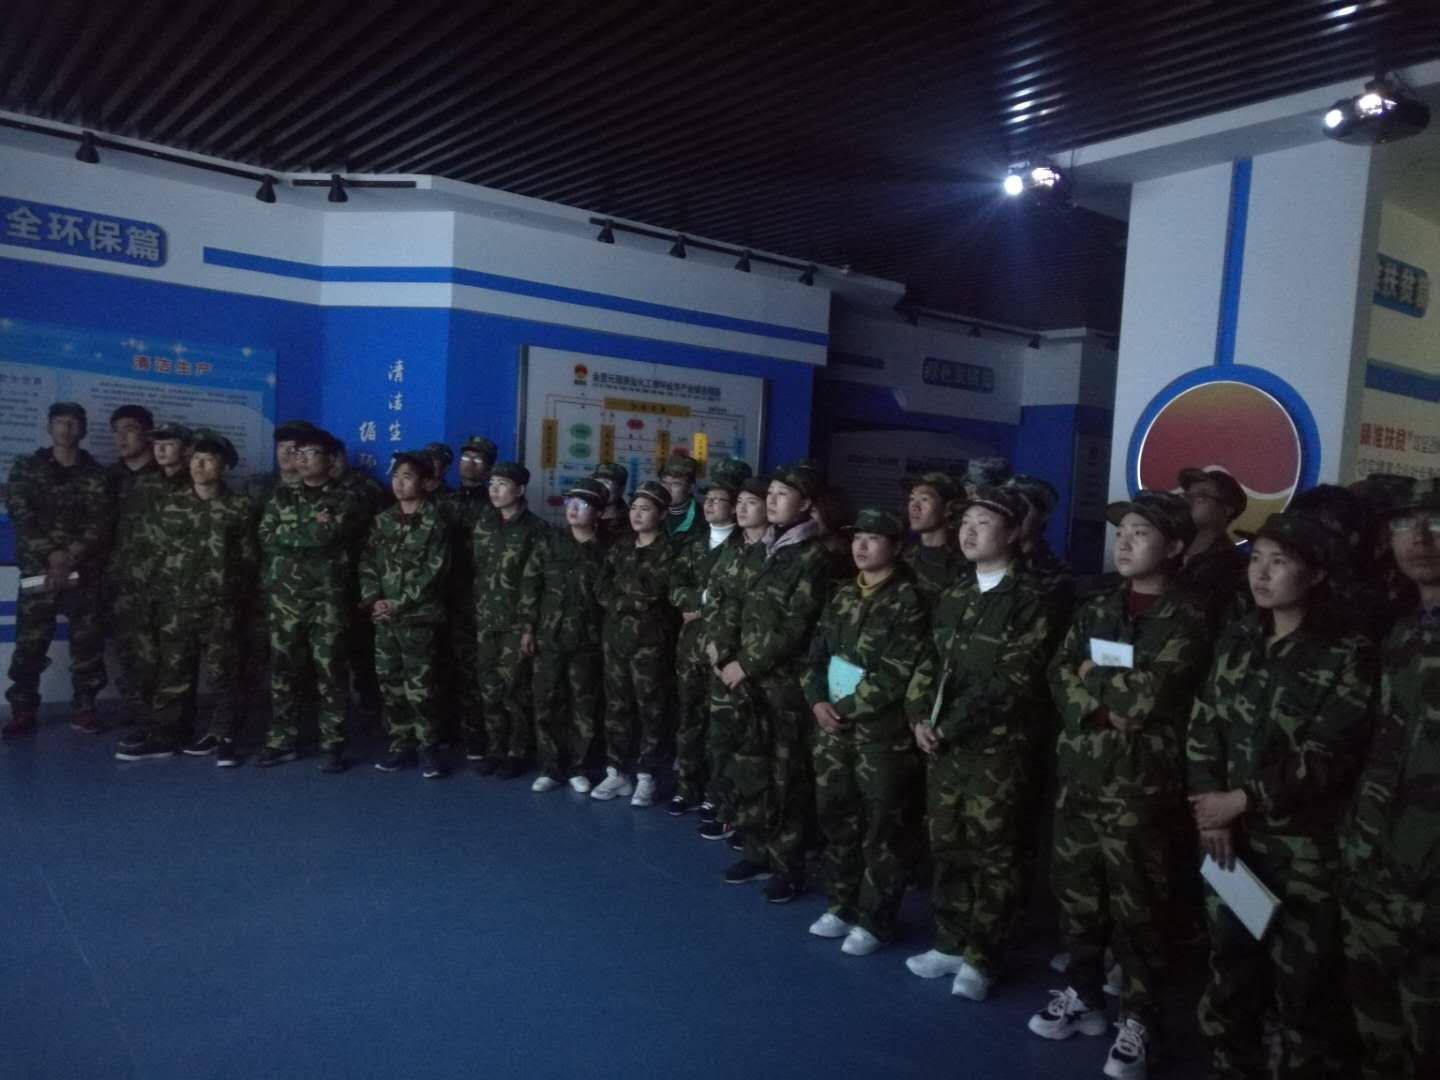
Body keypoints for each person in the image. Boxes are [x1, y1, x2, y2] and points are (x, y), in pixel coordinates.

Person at [1029, 490, 1210, 1080]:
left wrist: (1094, 677)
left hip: (1140, 788)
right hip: (1080, 775)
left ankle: (1141, 1019)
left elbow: (1151, 696)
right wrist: (1101, 700)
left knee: (1140, 909)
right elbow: (1059, 670)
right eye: (1122, 531)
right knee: (1078, 896)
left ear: (1174, 546)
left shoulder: (1190, 617)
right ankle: (1083, 994)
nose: (1125, 542)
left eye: (1141, 533)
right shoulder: (1098, 604)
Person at [1187, 512, 1373, 1078]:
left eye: (1280, 562)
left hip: (1304, 850)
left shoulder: (1347, 651)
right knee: (1230, 964)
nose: (1261, 574)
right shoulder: (1240, 636)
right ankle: (1229, 1062)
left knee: (1303, 982)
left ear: (1315, 574)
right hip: (1228, 840)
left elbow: (1332, 753)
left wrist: (1241, 800)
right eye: (1257, 560)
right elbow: (1205, 723)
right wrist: (1212, 810)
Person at [903, 486, 1057, 996]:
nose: (969, 532)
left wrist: (948, 724)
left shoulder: (1032, 598)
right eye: (965, 523)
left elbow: (1014, 678)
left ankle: (984, 956)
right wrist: (919, 715)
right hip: (943, 748)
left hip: (998, 751)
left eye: (983, 523)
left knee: (996, 854)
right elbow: (929, 659)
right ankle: (950, 942)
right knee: (948, 846)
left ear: (1012, 533)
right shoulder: (957, 592)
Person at [1340, 477, 1440, 1079]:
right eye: (1405, 525)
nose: (1420, 538)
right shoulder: (1402, 629)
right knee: (1378, 1035)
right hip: (1378, 870)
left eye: (1437, 524)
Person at [801, 507, 926, 955]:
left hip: (880, 736)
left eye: (873, 538)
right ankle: (841, 904)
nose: (861, 545)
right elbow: (816, 655)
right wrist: (817, 700)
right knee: (837, 819)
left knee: (882, 830)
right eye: (857, 537)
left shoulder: (910, 600)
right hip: (832, 731)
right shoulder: (842, 594)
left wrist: (843, 708)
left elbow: (897, 672)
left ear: (895, 547)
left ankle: (876, 920)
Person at [714, 463, 830, 903]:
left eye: (783, 494)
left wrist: (746, 663)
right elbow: (733, 603)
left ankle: (787, 864)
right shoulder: (764, 549)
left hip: (784, 685)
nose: (773, 501)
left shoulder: (814, 557)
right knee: (751, 767)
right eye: (772, 493)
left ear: (806, 504)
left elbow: (797, 625)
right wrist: (724, 653)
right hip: (746, 681)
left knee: (787, 777)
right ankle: (756, 848)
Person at [123, 431, 255, 764]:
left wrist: (237, 599)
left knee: (224, 674)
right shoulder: (169, 505)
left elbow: (250, 559)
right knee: (173, 673)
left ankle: (224, 736)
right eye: (195, 459)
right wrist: (153, 599)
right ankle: (166, 735)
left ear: (223, 466)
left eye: (208, 460)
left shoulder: (240, 507)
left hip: (221, 608)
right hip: (176, 606)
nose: (199, 466)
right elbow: (149, 554)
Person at [256, 428, 365, 772]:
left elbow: (329, 534)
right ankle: (281, 740)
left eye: (311, 453)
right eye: (298, 453)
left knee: (330, 670)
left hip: (327, 599)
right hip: (285, 599)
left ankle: (332, 744)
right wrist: (311, 528)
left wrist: (294, 533)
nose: (301, 459)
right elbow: (266, 537)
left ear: (330, 460)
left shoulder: (346, 498)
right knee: (283, 671)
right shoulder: (281, 497)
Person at [2, 403, 111, 739]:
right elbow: (21, 513)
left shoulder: (97, 474)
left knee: (87, 646)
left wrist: (71, 555)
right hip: (39, 572)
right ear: (49, 427)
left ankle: (84, 708)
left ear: (84, 429)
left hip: (84, 573)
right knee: (30, 645)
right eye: (60, 422)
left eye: (74, 423)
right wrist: (52, 554)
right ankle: (23, 709)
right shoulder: (27, 467)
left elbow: (102, 521)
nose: (67, 429)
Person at [668, 457, 751, 815]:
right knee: (688, 718)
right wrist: (703, 599)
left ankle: (716, 794)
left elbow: (740, 598)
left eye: (719, 500)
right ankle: (687, 786)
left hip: (724, 649)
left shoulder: (745, 546)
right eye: (708, 499)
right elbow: (674, 588)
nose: (710, 505)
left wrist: (702, 602)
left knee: (722, 726)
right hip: (690, 646)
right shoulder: (694, 543)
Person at [360, 451, 451, 779]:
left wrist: (398, 602)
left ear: (425, 483)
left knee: (421, 687)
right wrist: (374, 599)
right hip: (384, 618)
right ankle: (401, 744)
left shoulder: (435, 522)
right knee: (390, 683)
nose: (399, 483)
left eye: (407, 477)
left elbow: (435, 572)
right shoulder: (383, 520)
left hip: (418, 618)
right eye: (396, 476)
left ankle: (428, 747)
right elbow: (368, 562)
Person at [520, 478, 609, 793]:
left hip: (588, 641)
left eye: (582, 504)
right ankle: (550, 767)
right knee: (546, 702)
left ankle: (578, 767)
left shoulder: (607, 550)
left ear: (598, 512)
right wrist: (528, 627)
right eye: (570, 502)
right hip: (549, 637)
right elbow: (531, 584)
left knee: (583, 705)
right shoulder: (550, 542)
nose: (573, 508)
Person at [594, 479, 678, 806]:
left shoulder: (670, 550)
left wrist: (625, 597)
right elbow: (602, 588)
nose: (637, 514)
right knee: (616, 707)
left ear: (662, 514)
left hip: (651, 642)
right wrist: (630, 598)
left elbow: (657, 592)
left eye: (645, 509)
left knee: (651, 709)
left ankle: (647, 775)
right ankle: (616, 771)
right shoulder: (621, 546)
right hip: (616, 640)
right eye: (634, 508)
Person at [698, 473, 772, 840]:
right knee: (721, 740)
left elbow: (768, 619)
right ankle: (725, 807)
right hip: (720, 659)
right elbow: (714, 599)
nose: (742, 509)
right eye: (739, 503)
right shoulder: (732, 547)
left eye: (751, 503)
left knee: (753, 748)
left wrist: (741, 661)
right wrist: (714, 646)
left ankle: (749, 818)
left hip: (752, 666)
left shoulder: (775, 553)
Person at [472, 461, 547, 778]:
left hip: (516, 624)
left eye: (502, 484)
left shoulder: (536, 530)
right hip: (486, 620)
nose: (495, 490)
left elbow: (537, 582)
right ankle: (495, 748)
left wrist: (529, 626)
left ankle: (518, 752)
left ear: (520, 489)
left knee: (515, 691)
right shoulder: (484, 524)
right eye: (492, 484)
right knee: (489, 689)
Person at [104, 404, 159, 734]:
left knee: (162, 651)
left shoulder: (168, 475)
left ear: (148, 434)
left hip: (161, 581)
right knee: (126, 648)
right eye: (116, 431)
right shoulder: (108, 479)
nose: (121, 438)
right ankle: (136, 711)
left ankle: (161, 717)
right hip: (120, 580)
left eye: (129, 429)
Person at [441, 434, 497, 757]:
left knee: (471, 668)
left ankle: (475, 734)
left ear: (488, 469)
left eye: (478, 460)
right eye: (466, 458)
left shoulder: (493, 505)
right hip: (440, 594)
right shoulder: (444, 500)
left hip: (474, 598)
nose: (470, 464)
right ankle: (445, 729)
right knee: (441, 664)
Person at [1176, 467, 1250, 630]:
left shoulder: (1237, 568)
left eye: (1201, 497)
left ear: (1227, 509)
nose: (1188, 501)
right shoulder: (1163, 555)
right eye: (1186, 495)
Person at [900, 471, 965, 612]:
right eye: (912, 498)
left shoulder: (962, 564)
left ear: (948, 508)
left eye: (924, 499)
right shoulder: (900, 555)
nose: (914, 506)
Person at [660, 453, 702, 541]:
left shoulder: (703, 518)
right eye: (664, 482)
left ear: (690, 487)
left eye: (675, 484)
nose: (667, 488)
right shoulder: (652, 513)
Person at [593, 462, 633, 545]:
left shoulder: (632, 521)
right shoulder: (584, 514)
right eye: (597, 482)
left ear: (621, 489)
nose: (601, 488)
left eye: (606, 483)